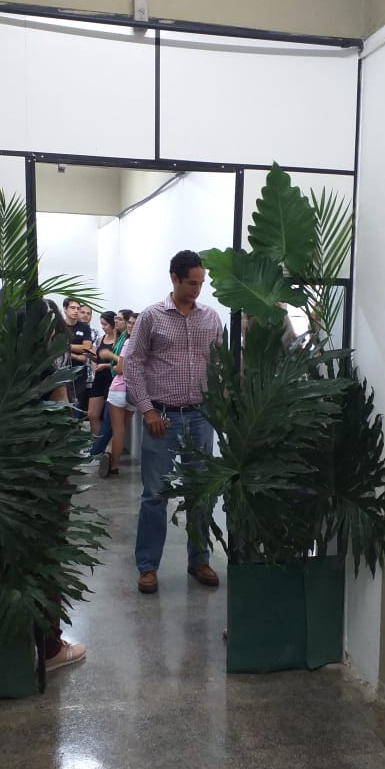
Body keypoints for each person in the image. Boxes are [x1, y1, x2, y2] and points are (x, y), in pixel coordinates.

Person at [124, 251, 223, 594]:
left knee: (200, 492)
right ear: (174, 278)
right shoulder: (152, 317)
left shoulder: (210, 318)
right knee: (155, 494)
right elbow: (133, 364)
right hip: (161, 418)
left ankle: (199, 560)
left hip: (200, 417)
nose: (197, 289)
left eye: (201, 283)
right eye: (191, 282)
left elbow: (220, 364)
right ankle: (148, 566)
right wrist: (147, 410)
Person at [19, 299, 86, 670]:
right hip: (45, 470)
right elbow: (60, 417)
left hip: (6, 468)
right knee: (47, 554)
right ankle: (49, 648)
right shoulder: (50, 365)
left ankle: (17, 644)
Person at [98, 312, 138, 478]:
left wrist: (111, 360)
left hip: (119, 389)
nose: (130, 326)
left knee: (118, 430)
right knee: (123, 428)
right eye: (129, 322)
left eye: (133, 323)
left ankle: (114, 466)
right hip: (135, 391)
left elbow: (120, 368)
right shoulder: (147, 343)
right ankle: (109, 453)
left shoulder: (128, 342)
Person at [87, 311, 116, 437]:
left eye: (105, 324)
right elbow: (98, 359)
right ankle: (98, 442)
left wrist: (105, 365)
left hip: (111, 378)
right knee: (92, 414)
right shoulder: (101, 339)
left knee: (109, 417)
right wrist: (91, 356)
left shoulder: (119, 341)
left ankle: (106, 444)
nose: (103, 327)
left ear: (112, 324)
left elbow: (121, 363)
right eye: (101, 324)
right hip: (99, 378)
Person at [63, 297, 93, 416]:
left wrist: (67, 346)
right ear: (65, 309)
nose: (76, 311)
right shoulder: (59, 325)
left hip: (79, 372)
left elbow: (86, 347)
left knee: (77, 401)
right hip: (61, 370)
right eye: (72, 308)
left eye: (77, 308)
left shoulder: (84, 327)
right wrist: (76, 351)